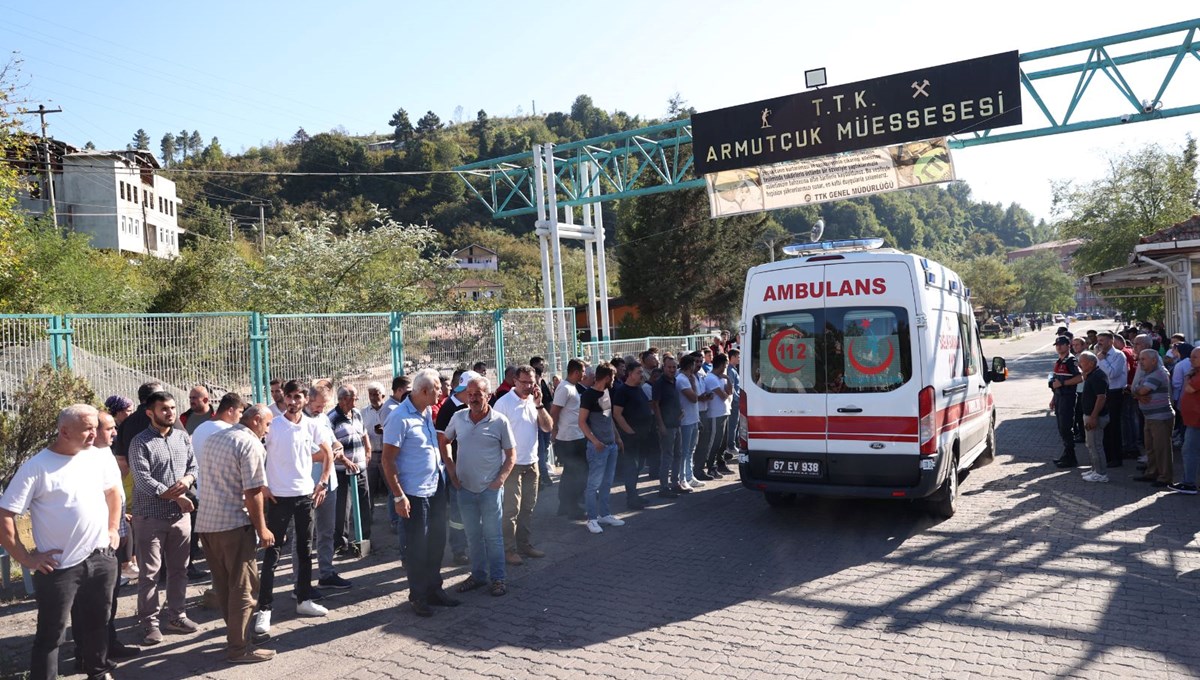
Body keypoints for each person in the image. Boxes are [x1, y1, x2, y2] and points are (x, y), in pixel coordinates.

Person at [0, 405, 121, 680]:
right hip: (59, 567)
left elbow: (113, 491)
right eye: (88, 429)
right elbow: (5, 514)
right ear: (64, 431)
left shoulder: (97, 457)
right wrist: (27, 559)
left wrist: (113, 528)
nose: (94, 434)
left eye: (95, 427)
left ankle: (98, 671)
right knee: (52, 634)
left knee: (98, 623)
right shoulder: (37, 467)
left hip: (101, 557)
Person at [196, 405, 276, 664]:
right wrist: (262, 528)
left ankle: (236, 640)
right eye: (267, 423)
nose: (268, 429)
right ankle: (239, 649)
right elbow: (252, 492)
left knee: (224, 587)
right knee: (244, 589)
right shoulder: (250, 444)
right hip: (233, 526)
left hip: (208, 525)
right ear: (255, 421)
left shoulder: (214, 438)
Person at [254, 380, 332, 639]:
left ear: (305, 399)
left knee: (304, 551)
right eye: (289, 397)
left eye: (298, 397)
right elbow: (256, 451)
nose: (293, 401)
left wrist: (322, 483)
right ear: (284, 398)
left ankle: (303, 600)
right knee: (272, 554)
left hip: (304, 496)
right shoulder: (273, 425)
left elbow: (328, 453)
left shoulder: (312, 425)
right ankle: (264, 609)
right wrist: (262, 484)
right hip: (278, 498)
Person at [382, 368, 461, 617]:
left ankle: (434, 590)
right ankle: (418, 595)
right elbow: (388, 460)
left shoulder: (426, 411)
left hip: (434, 486)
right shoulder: (399, 418)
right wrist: (398, 495)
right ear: (425, 391)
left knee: (437, 541)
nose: (442, 391)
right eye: (438, 388)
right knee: (417, 546)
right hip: (413, 494)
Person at [128, 391, 200, 645]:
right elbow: (143, 480)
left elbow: (194, 466)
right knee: (150, 573)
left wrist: (187, 480)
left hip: (180, 518)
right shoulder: (140, 442)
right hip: (149, 517)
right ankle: (149, 624)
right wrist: (176, 497)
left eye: (171, 408)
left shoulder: (182, 437)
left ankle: (177, 616)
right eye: (164, 410)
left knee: (180, 570)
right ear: (150, 413)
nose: (170, 413)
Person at [440, 376, 515, 597]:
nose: (472, 399)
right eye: (469, 395)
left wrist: (499, 481)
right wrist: (451, 470)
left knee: (493, 536)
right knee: (473, 536)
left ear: (488, 396)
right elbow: (444, 441)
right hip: (464, 489)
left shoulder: (500, 421)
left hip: (489, 491)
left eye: (477, 395)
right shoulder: (458, 417)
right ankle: (479, 575)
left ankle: (498, 578)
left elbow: (511, 455)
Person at [89, 412, 142, 662]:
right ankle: (90, 654)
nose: (115, 433)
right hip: (98, 541)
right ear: (93, 430)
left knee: (111, 597)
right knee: (96, 602)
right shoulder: (85, 459)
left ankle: (111, 644)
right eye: (109, 428)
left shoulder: (106, 454)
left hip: (116, 534)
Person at [493, 365, 554, 564]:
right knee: (511, 510)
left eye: (531, 382)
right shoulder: (504, 403)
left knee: (528, 507)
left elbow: (547, 427)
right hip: (512, 464)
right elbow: (494, 436)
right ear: (515, 381)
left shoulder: (534, 401)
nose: (528, 386)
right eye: (524, 382)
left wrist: (539, 404)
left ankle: (524, 544)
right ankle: (508, 549)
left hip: (532, 462)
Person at [303, 384, 353, 591]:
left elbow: (334, 442)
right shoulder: (299, 422)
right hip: (308, 485)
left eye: (324, 405)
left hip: (329, 483)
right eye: (317, 405)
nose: (320, 409)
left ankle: (326, 573)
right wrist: (328, 455)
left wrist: (337, 450)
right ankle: (301, 583)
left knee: (327, 531)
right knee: (304, 536)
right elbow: (303, 455)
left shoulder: (323, 418)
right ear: (308, 400)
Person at [435, 370, 481, 567]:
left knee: (475, 510)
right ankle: (459, 550)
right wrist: (452, 471)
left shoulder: (471, 405)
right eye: (470, 391)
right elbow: (442, 441)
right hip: (458, 470)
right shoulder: (449, 408)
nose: (474, 395)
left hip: (477, 469)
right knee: (457, 513)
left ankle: (476, 546)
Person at [579, 363, 626, 534]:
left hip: (611, 445)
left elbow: (608, 417)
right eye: (613, 377)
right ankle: (591, 519)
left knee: (607, 482)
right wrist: (594, 441)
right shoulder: (588, 395)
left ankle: (604, 514)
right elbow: (582, 421)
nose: (614, 380)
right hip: (597, 447)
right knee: (593, 485)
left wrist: (617, 437)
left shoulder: (606, 392)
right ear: (607, 377)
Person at [330, 384, 371, 556]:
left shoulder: (357, 413)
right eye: (354, 397)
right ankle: (341, 544)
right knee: (342, 509)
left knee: (364, 503)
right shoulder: (331, 418)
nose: (357, 400)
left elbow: (363, 433)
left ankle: (365, 540)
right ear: (344, 399)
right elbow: (331, 445)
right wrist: (345, 461)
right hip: (342, 471)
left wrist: (368, 450)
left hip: (361, 468)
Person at [1131, 349, 1174, 489]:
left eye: (1143, 359)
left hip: (1160, 417)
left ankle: (1165, 477)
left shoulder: (1159, 373)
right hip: (1150, 417)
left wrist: (1137, 392)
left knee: (1161, 448)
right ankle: (1152, 472)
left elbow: (1142, 390)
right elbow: (1136, 390)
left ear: (1154, 360)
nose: (1140, 362)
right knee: (1150, 447)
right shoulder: (1147, 374)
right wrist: (1137, 393)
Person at [612, 360, 652, 510]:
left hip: (642, 436)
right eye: (638, 372)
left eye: (642, 372)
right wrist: (629, 431)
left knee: (638, 467)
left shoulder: (638, 388)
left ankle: (635, 494)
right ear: (629, 374)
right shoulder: (623, 391)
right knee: (631, 467)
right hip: (630, 438)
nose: (641, 375)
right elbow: (617, 414)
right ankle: (631, 499)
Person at [552, 359, 589, 520]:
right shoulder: (564, 388)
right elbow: (554, 412)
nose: (585, 374)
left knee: (571, 472)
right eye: (583, 371)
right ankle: (572, 507)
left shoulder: (572, 387)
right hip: (568, 439)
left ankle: (564, 505)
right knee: (576, 472)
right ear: (575, 372)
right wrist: (554, 432)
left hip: (577, 436)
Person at [651, 355, 687, 498]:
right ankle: (663, 487)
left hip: (676, 424)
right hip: (667, 426)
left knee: (677, 455)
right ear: (663, 367)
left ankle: (675, 483)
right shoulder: (659, 383)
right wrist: (661, 425)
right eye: (669, 367)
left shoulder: (674, 380)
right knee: (667, 456)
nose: (672, 369)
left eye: (674, 367)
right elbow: (655, 404)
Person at [1094, 332, 1127, 469]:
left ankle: (1116, 457)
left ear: (1110, 342)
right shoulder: (1099, 355)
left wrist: (1102, 360)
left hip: (1115, 393)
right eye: (1098, 340)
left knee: (1114, 426)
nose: (1099, 343)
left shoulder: (1118, 355)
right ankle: (1107, 457)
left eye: (1102, 340)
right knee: (1105, 427)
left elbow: (1112, 374)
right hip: (1104, 393)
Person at [1170, 345, 1200, 494]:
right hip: (1192, 419)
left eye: (1195, 357)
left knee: (1189, 450)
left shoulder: (1196, 375)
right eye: (1191, 356)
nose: (1191, 360)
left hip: (1197, 421)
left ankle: (1189, 483)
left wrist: (1188, 376)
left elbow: (1189, 388)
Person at [1049, 337, 1082, 468]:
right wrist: (1053, 398)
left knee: (1066, 427)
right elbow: (1055, 383)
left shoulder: (1071, 361)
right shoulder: (1060, 361)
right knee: (1061, 428)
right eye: (1057, 344)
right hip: (1059, 398)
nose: (1059, 347)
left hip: (1068, 398)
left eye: (1061, 344)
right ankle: (1067, 454)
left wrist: (1063, 383)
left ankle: (1071, 457)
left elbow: (1080, 377)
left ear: (1069, 346)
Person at [1077, 351, 1110, 483]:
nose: (1080, 365)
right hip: (1090, 415)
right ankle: (1095, 469)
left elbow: (1101, 398)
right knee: (1090, 444)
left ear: (1091, 363)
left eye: (1082, 362)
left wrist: (1093, 416)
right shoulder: (1092, 374)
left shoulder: (1098, 376)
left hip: (1095, 416)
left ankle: (1101, 473)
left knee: (1096, 445)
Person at [192, 393, 246, 473]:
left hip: (202, 482)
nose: (241, 416)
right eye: (240, 411)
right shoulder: (228, 431)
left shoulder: (199, 428)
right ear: (230, 411)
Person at [677, 354, 708, 487]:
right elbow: (694, 398)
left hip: (693, 419)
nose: (697, 365)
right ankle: (682, 478)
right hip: (686, 421)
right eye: (695, 363)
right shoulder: (682, 379)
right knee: (684, 452)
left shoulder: (688, 378)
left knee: (691, 450)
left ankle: (689, 477)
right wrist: (693, 383)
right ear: (690, 365)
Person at [700, 353, 733, 478]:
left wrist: (728, 379)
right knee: (714, 442)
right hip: (715, 414)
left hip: (724, 412)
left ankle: (719, 464)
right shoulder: (711, 378)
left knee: (722, 442)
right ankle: (710, 466)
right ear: (722, 364)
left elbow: (729, 392)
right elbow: (724, 396)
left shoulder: (722, 377)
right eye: (726, 363)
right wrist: (725, 392)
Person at [530, 356, 556, 486]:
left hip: (545, 421)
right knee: (539, 450)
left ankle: (543, 473)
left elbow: (549, 401)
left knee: (545, 448)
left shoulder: (544, 383)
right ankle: (543, 477)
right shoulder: (530, 388)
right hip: (536, 423)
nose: (542, 366)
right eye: (540, 364)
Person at [361, 382, 389, 498]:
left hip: (387, 455)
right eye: (370, 394)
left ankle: (395, 515)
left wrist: (385, 431)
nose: (372, 397)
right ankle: (368, 514)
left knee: (392, 487)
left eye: (376, 394)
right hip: (370, 455)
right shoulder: (363, 413)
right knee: (368, 490)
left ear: (383, 395)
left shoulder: (390, 411)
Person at [725, 349, 742, 458]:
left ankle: (733, 444)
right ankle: (731, 446)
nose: (739, 358)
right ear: (733, 357)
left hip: (737, 401)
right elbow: (731, 386)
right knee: (732, 425)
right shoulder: (730, 370)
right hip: (734, 403)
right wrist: (737, 399)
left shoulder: (734, 370)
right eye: (738, 356)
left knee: (735, 424)